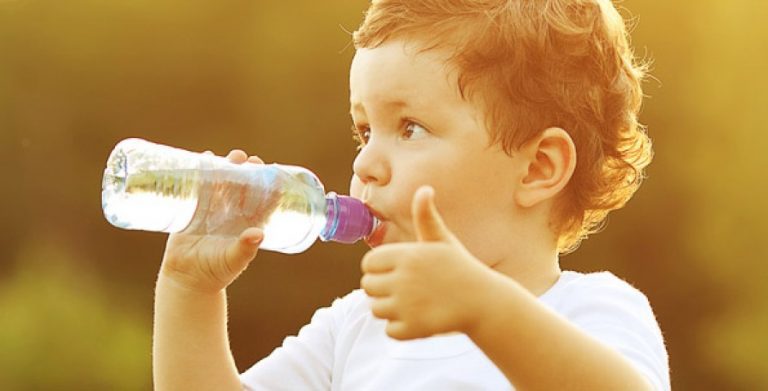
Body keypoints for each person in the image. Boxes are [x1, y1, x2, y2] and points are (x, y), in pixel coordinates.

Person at [152, 0, 669, 389]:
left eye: (411, 128)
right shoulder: (354, 328)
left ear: (537, 167)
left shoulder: (592, 312)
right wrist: (190, 291)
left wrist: (484, 308)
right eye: (363, 130)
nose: (364, 164)